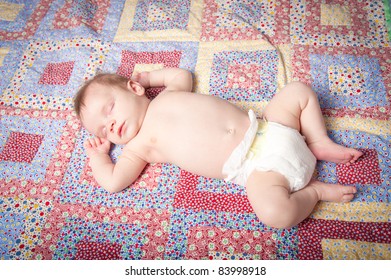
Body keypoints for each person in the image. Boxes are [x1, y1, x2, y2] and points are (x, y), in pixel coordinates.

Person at [73, 68, 363, 229]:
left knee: (297, 91)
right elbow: (113, 182)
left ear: (134, 89)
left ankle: (317, 141)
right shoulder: (137, 148)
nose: (109, 125)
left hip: (269, 126)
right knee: (275, 214)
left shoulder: (167, 94)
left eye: (109, 110)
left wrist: (150, 78)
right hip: (258, 170)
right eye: (102, 129)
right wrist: (99, 157)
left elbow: (181, 76)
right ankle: (315, 192)